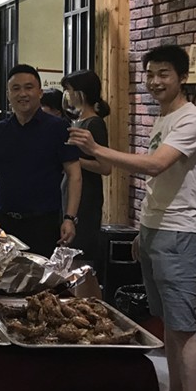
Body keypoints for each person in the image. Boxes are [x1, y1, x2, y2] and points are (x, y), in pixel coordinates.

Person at [68, 44, 196, 391]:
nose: (154, 81)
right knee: (166, 322)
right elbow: (158, 185)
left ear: (182, 77)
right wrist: (142, 231)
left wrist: (96, 149)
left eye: (163, 73)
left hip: (179, 232)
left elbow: (154, 166)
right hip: (154, 230)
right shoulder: (165, 118)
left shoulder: (193, 119)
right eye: (150, 74)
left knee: (183, 328)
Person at [0, 64, 81, 258]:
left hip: (44, 224)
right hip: (5, 223)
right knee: (1, 273)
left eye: (29, 87)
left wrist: (69, 218)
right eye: (16, 89)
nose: (22, 94)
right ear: (8, 95)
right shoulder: (0, 130)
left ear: (40, 93)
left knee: (40, 275)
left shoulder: (58, 128)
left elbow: (75, 175)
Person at [60, 70, 111, 265]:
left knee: (81, 257)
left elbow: (105, 167)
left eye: (69, 90)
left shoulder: (94, 124)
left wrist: (72, 161)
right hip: (70, 192)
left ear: (81, 93)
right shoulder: (77, 121)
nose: (67, 95)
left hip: (86, 197)